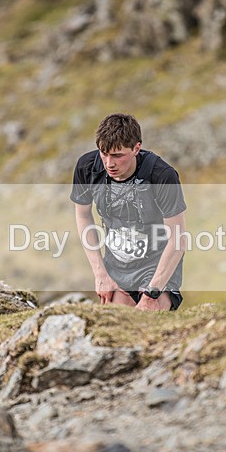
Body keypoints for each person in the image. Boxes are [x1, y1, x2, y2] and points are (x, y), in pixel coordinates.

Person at [71, 113, 187, 311]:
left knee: (148, 322)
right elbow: (83, 215)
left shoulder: (161, 175)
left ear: (136, 148)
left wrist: (153, 292)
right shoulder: (87, 167)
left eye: (118, 155)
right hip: (117, 265)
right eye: (104, 153)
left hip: (157, 264)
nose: (109, 163)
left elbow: (178, 240)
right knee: (117, 324)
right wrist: (100, 274)